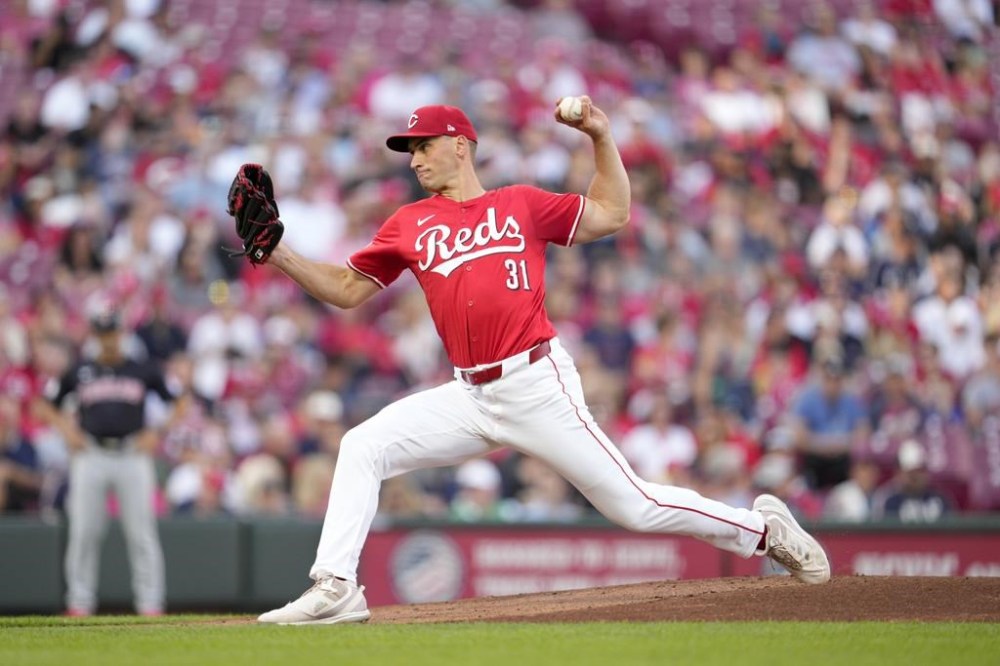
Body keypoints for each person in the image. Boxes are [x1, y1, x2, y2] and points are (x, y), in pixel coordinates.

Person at [251, 100, 830, 625]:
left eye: (424, 145)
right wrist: (278, 253)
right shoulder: (409, 223)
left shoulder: (520, 204)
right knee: (362, 445)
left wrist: (600, 136)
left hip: (535, 384)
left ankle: (764, 532)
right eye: (409, 150)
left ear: (461, 144)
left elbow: (612, 212)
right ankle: (336, 586)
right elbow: (348, 289)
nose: (414, 160)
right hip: (469, 396)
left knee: (635, 506)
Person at [36, 305, 187, 617]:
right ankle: (79, 602)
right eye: (102, 333)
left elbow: (181, 400)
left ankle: (150, 604)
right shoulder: (79, 369)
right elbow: (45, 404)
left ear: (121, 333)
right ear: (95, 335)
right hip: (91, 453)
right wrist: (67, 429)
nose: (108, 340)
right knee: (84, 531)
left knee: (141, 532)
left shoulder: (142, 368)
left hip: (132, 453)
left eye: (112, 333)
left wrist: (157, 434)